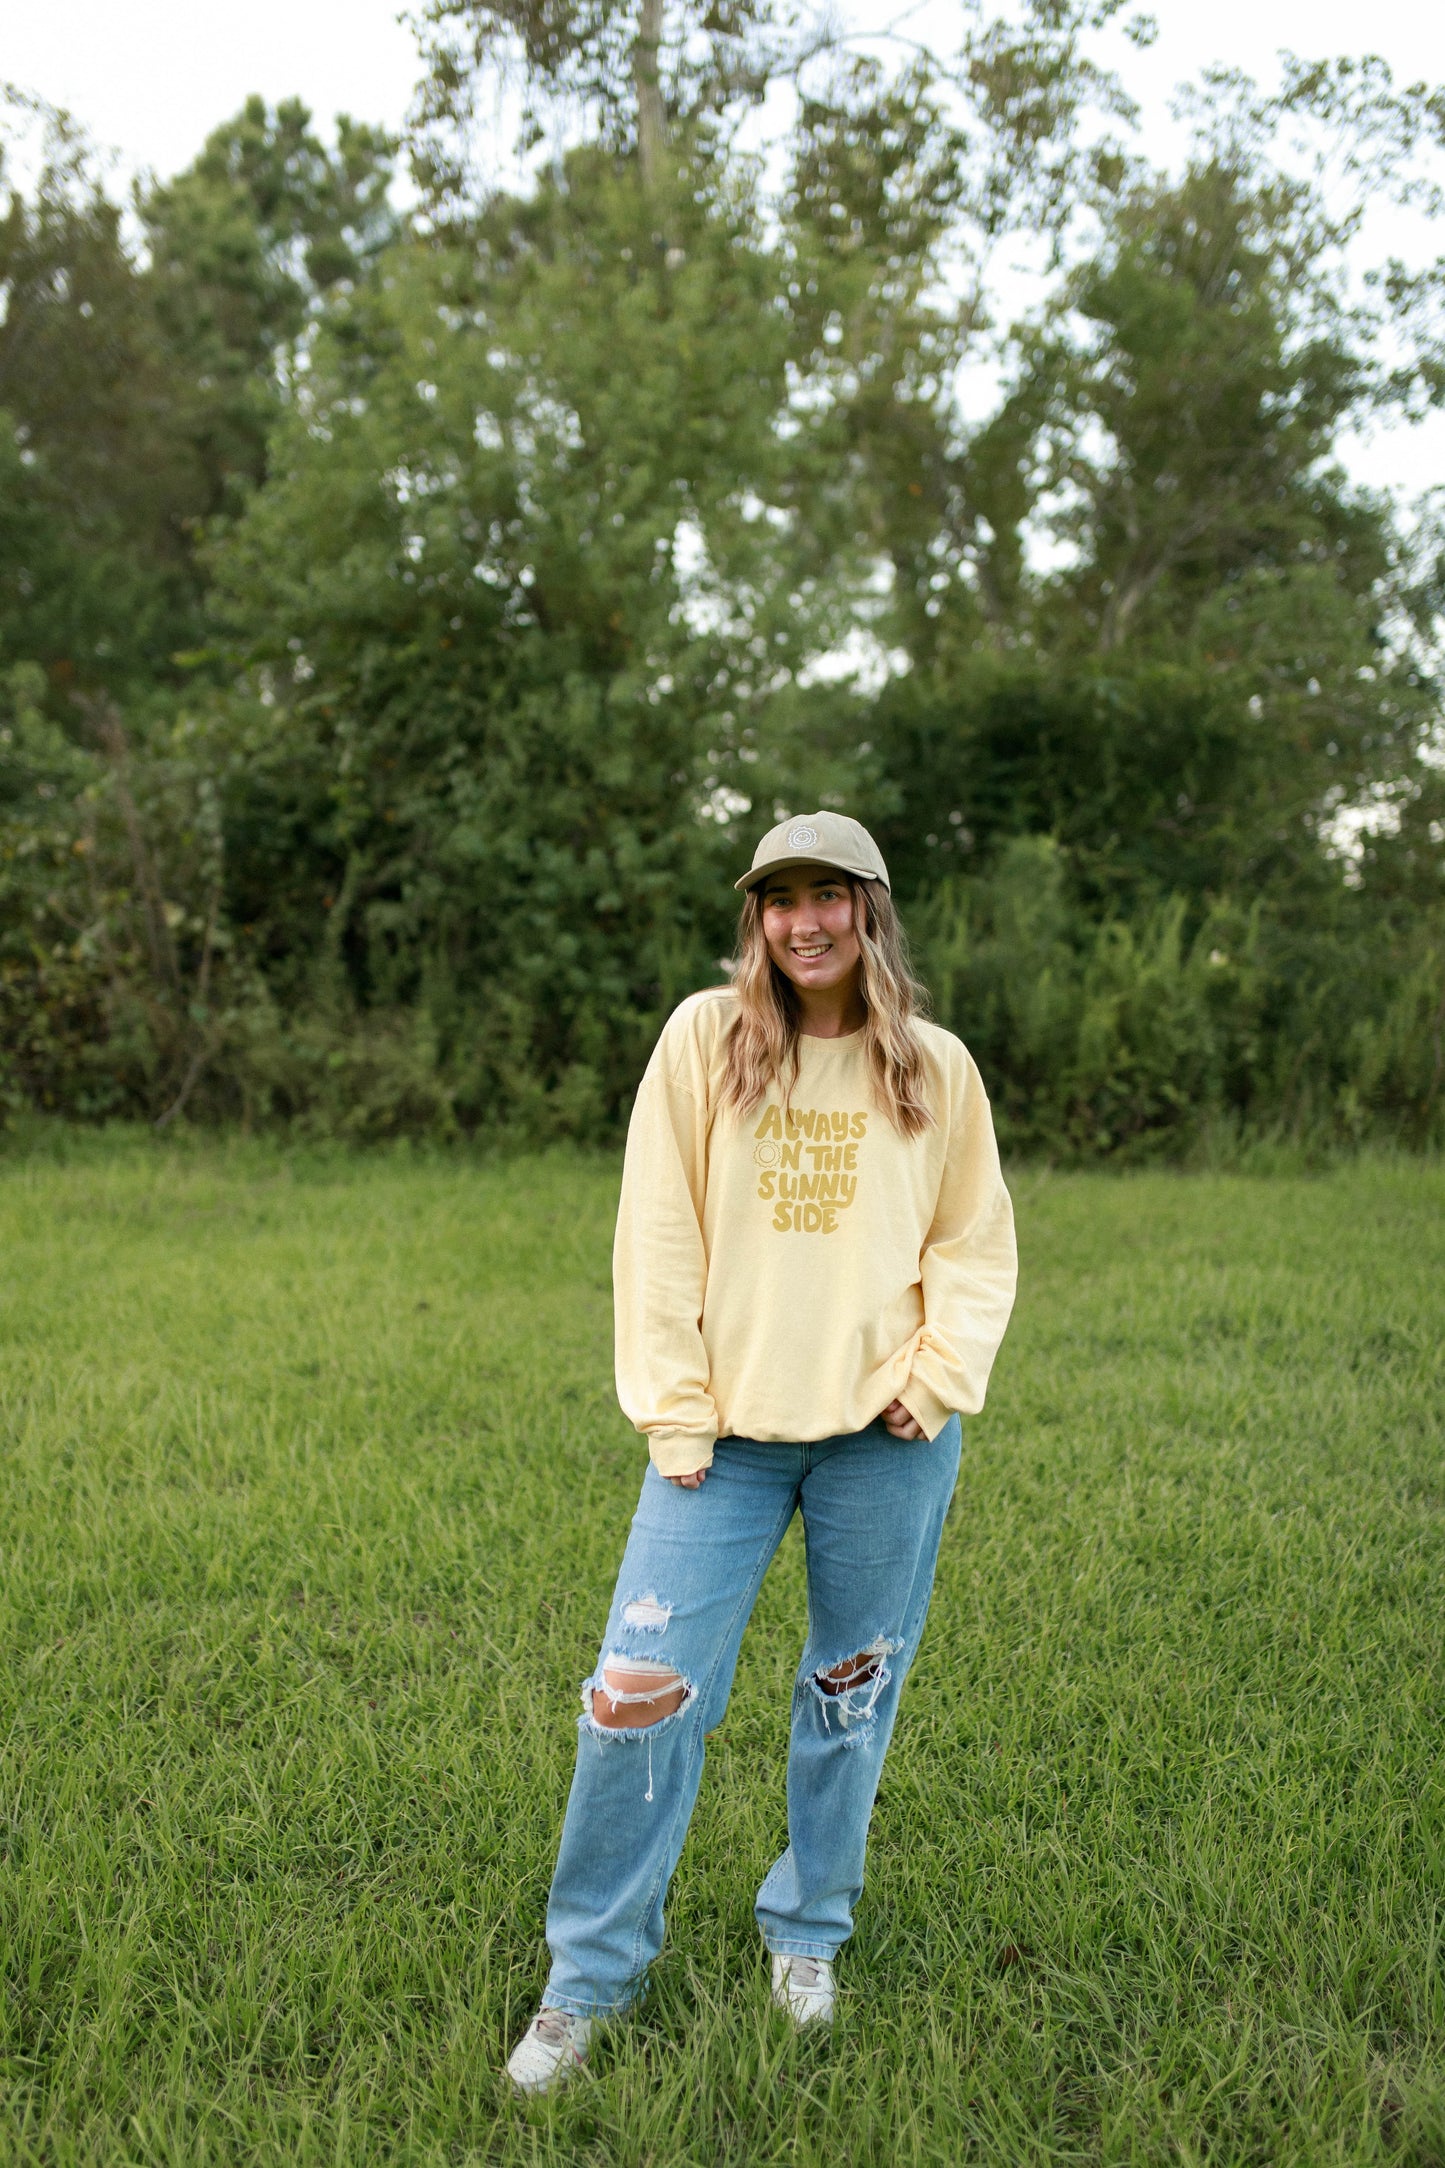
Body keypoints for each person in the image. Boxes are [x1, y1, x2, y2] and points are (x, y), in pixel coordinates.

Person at [506, 811, 1018, 2094]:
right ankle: (588, 1975)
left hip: (882, 1444)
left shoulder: (934, 1067)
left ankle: (806, 1932)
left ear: (868, 910)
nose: (804, 921)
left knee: (847, 1699)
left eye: (828, 895)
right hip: (718, 1445)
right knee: (635, 1695)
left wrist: (936, 1378)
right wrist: (673, 1408)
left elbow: (972, 1242)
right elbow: (656, 1228)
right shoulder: (707, 1040)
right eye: (779, 898)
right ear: (757, 918)